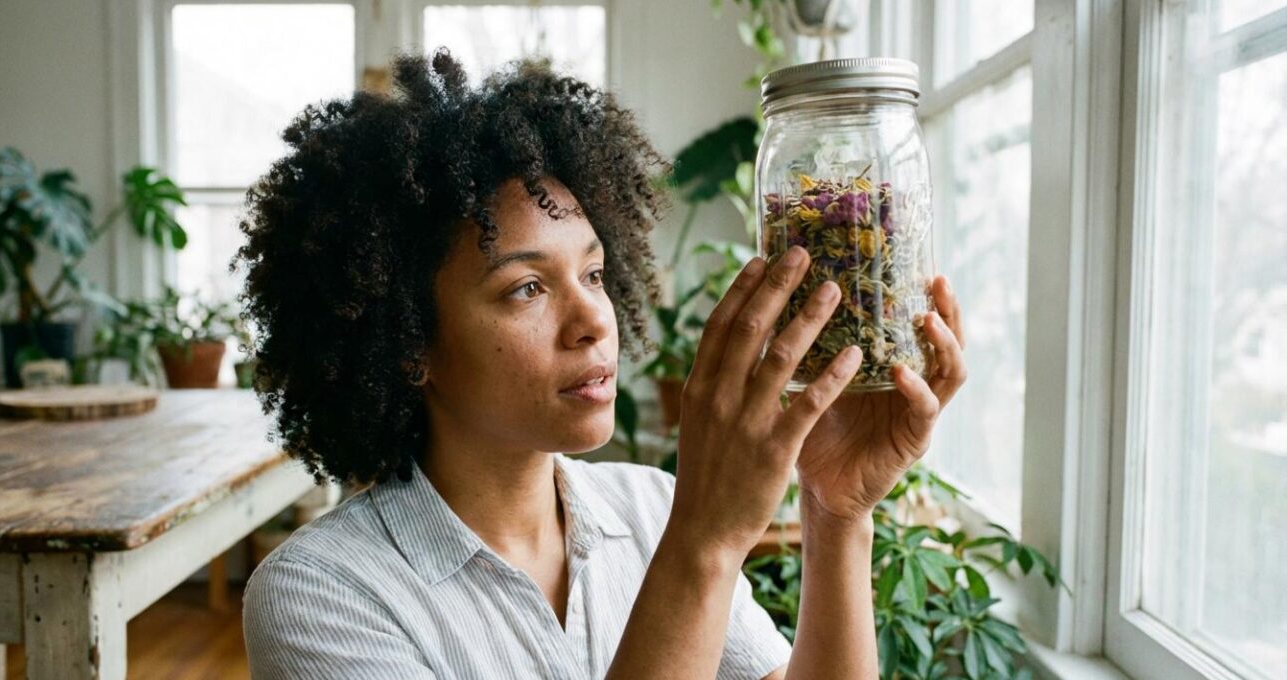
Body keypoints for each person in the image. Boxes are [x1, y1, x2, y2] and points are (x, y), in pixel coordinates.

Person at [235, 48, 968, 680]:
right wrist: (706, 544)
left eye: (592, 274)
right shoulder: (320, 593)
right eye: (526, 288)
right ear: (408, 345)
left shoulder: (649, 512)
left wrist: (836, 512)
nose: (593, 322)